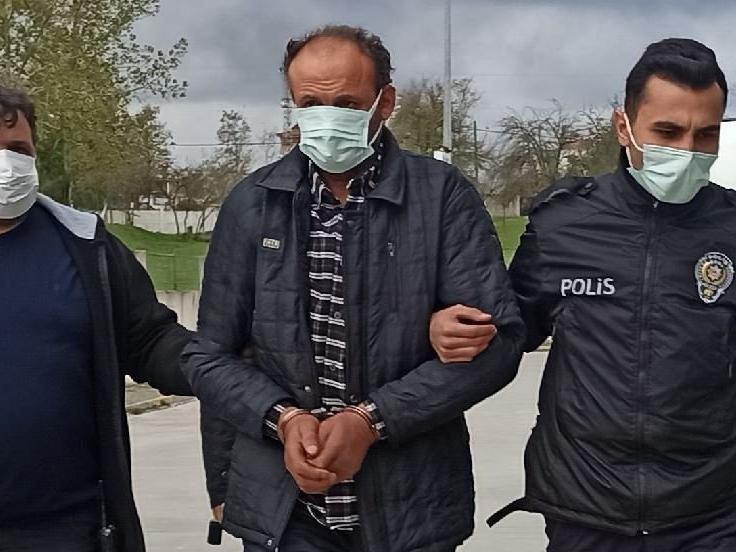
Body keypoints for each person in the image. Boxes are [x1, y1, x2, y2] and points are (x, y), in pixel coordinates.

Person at [183, 24, 525, 552]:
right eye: (310, 104)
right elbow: (210, 357)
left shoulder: (441, 197)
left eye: (345, 103)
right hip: (285, 510)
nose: (326, 118)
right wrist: (279, 423)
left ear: (384, 102)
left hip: (410, 508)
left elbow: (497, 345)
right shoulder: (253, 203)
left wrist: (372, 420)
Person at [430, 38, 736, 551]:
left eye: (705, 134)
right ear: (624, 126)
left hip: (711, 516)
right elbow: (512, 330)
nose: (686, 151)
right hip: (585, 510)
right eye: (667, 132)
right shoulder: (563, 223)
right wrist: (446, 326)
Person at [0, 84, 192, 552]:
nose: (6, 164)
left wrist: (229, 360)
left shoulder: (88, 247)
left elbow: (150, 341)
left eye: (17, 150)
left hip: (65, 528)